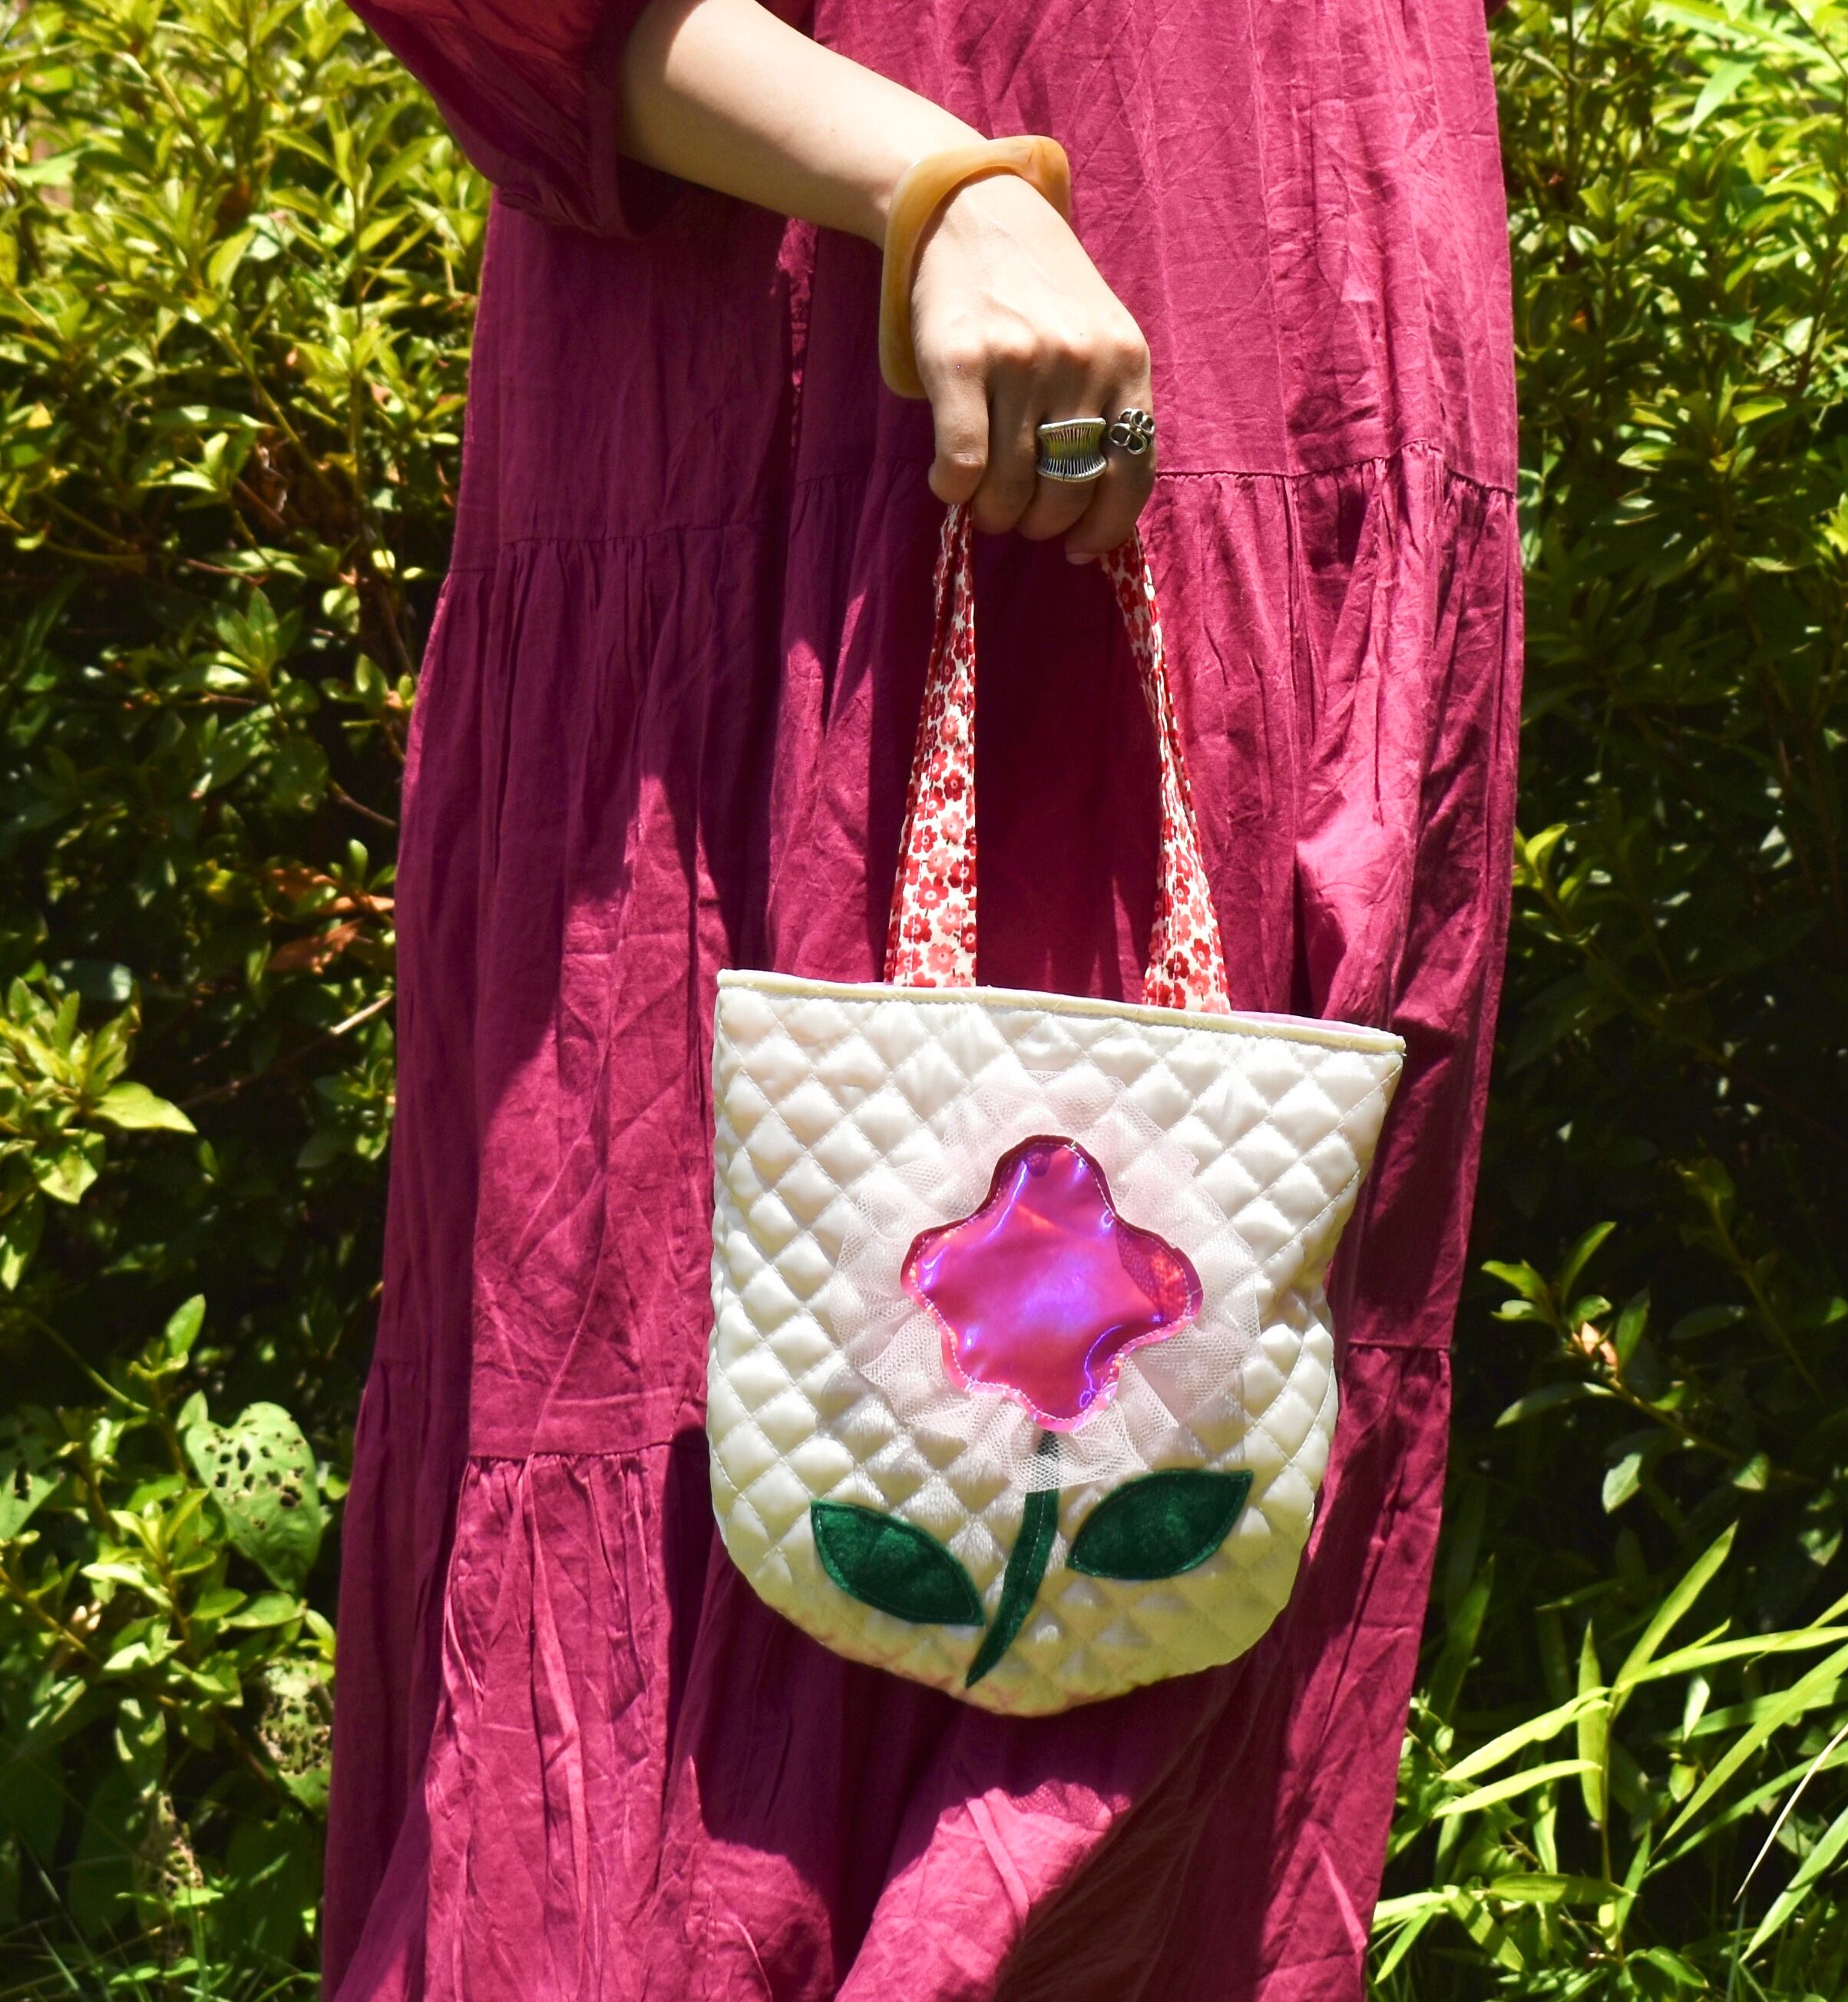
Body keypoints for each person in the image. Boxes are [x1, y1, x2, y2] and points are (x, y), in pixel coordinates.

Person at [324, 0, 1522, 1994]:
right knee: (723, 1691)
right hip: (838, 454)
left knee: (1177, 1595)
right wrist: (934, 186)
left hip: (1302, 442)